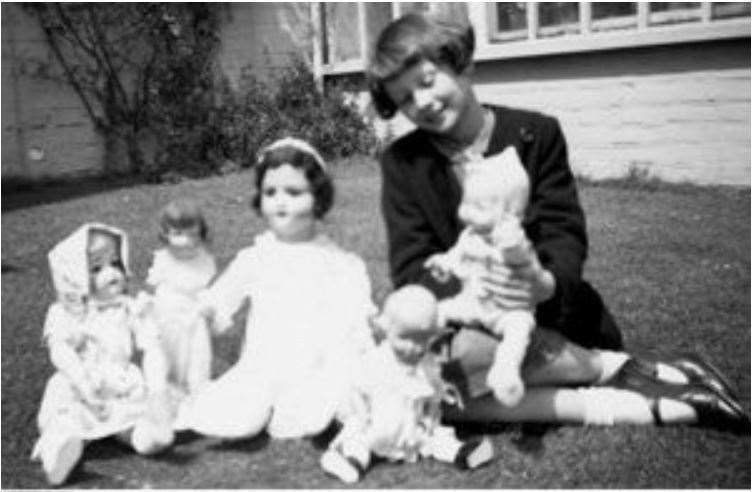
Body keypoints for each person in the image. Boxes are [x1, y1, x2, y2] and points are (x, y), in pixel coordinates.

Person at [366, 12, 748, 432]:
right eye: (404, 99)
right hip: (465, 317)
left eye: (426, 81)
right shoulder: (403, 162)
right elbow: (411, 266)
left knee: (443, 378)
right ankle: (627, 380)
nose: (421, 103)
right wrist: (469, 293)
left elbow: (563, 233)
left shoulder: (536, 132)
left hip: (547, 313)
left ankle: (600, 372)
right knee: (425, 383)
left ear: (462, 64)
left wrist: (542, 283)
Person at [174, 137, 377, 441]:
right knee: (239, 415)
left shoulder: (338, 261)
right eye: (271, 192)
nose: (280, 201)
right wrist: (204, 311)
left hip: (316, 359)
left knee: (331, 396)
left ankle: (318, 405)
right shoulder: (256, 257)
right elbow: (221, 298)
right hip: (264, 362)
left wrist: (360, 340)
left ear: (318, 199)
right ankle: (246, 406)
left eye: (293, 192)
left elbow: (353, 316)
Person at [31, 223, 175, 486]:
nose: (111, 273)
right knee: (66, 417)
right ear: (73, 276)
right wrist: (83, 382)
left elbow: (151, 347)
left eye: (115, 263)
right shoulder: (67, 313)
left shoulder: (132, 308)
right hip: (82, 385)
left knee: (136, 415)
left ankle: (145, 437)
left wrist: (157, 389)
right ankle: (59, 452)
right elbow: (60, 350)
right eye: (97, 268)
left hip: (122, 384)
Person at [320, 285, 494, 484]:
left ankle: (461, 453)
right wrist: (360, 415)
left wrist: (440, 395)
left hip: (413, 426)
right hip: (378, 424)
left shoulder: (427, 363)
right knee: (359, 442)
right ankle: (345, 459)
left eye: (422, 340)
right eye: (404, 338)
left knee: (437, 438)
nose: (414, 348)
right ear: (386, 329)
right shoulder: (375, 362)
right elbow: (357, 391)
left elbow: (433, 387)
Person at [424, 148, 538, 407]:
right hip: (473, 304)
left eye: (479, 207)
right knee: (438, 310)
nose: (467, 213)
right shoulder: (470, 235)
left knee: (518, 332)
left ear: (511, 214)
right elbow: (457, 255)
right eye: (466, 203)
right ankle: (420, 351)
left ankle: (505, 373)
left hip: (507, 311)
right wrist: (444, 262)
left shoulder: (513, 240)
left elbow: (522, 259)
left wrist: (510, 241)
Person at [146, 199, 216, 396]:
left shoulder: (203, 260)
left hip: (194, 310)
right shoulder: (163, 259)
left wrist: (207, 305)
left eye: (192, 234)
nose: (185, 241)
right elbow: (156, 287)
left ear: (201, 234)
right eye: (178, 234)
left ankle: (198, 386)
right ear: (166, 234)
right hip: (169, 310)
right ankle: (173, 384)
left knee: (198, 351)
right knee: (171, 350)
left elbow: (203, 287)